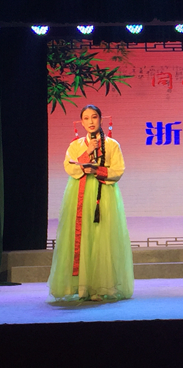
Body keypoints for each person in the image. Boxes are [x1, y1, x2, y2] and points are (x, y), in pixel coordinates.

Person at [47, 105, 134, 302]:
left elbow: (118, 170)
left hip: (103, 194)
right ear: (81, 122)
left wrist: (97, 170)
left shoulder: (112, 145)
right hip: (79, 193)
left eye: (94, 117)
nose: (91, 122)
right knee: (82, 236)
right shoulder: (76, 145)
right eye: (86, 118)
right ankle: (81, 287)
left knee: (101, 238)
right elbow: (69, 167)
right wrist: (87, 153)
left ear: (101, 119)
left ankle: (100, 287)